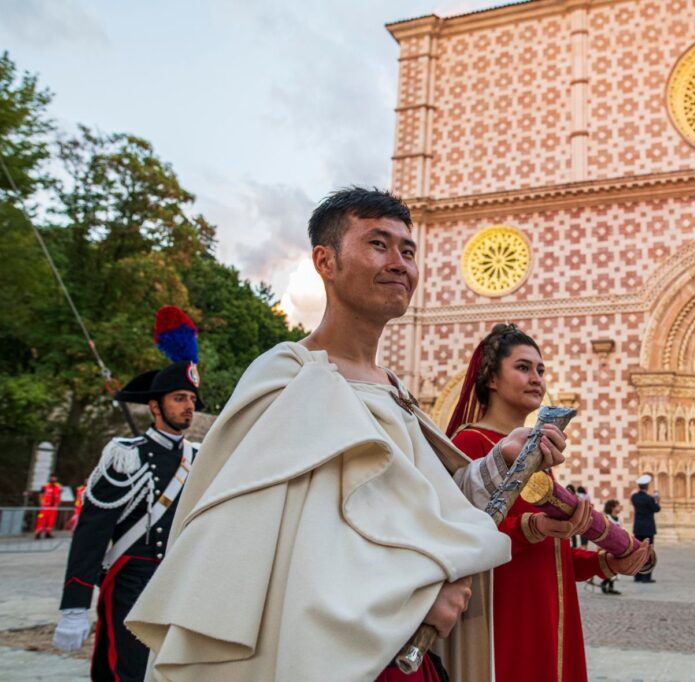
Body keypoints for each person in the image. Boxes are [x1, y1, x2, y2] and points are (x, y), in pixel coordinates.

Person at [126, 188, 569, 682]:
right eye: (378, 244)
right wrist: (416, 593)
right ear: (326, 262)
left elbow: (427, 508)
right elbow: (282, 548)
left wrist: (502, 462)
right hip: (313, 656)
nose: (400, 263)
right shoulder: (286, 378)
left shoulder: (396, 393)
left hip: (403, 663)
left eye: (408, 250)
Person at [446, 323, 650, 682]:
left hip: (551, 617)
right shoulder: (472, 445)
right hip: (506, 619)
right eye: (523, 367)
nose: (537, 378)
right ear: (491, 378)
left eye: (541, 369)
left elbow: (552, 554)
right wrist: (533, 527)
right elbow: (459, 535)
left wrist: (607, 562)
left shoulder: (538, 454)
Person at [52, 360, 202, 682]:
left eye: (191, 399)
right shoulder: (126, 455)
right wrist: (74, 606)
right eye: (179, 398)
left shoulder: (199, 459)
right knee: (129, 671)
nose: (189, 407)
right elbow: (91, 533)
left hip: (178, 585)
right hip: (130, 585)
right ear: (154, 406)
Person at [631, 473, 661, 583]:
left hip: (638, 528)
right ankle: (646, 576)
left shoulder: (634, 497)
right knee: (648, 552)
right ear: (647, 486)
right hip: (648, 528)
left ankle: (637, 575)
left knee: (638, 551)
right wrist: (657, 500)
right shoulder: (649, 499)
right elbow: (656, 509)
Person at [600, 499, 623, 595]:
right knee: (608, 565)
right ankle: (605, 583)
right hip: (608, 545)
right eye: (618, 505)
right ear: (613, 507)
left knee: (615, 565)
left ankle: (610, 586)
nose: (620, 507)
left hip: (616, 545)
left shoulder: (620, 519)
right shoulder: (607, 518)